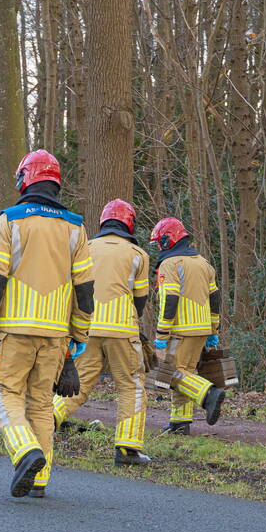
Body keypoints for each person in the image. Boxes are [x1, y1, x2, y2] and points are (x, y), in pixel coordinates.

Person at [0, 149, 95, 498]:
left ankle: (25, 452)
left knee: (5, 393)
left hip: (14, 330)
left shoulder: (10, 220)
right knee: (42, 403)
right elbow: (85, 289)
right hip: (56, 334)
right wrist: (80, 333)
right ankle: (40, 482)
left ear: (24, 179)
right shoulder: (75, 227)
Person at [51, 199, 152, 466]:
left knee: (79, 385)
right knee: (131, 385)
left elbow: (73, 288)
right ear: (129, 223)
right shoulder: (138, 254)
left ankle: (49, 419)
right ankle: (127, 450)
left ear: (103, 222)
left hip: (87, 328)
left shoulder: (86, 248)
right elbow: (140, 299)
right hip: (122, 331)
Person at [150, 218, 226, 433]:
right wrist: (214, 329)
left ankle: (208, 394)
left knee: (173, 373)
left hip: (180, 329)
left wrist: (161, 333)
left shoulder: (170, 264)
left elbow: (170, 300)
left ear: (168, 240)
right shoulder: (204, 263)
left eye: (159, 241)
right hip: (201, 329)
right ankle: (180, 423)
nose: (158, 246)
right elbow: (215, 298)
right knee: (187, 372)